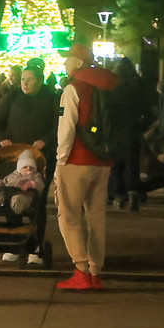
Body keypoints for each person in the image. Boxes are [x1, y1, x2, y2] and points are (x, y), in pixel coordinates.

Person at [55, 42, 118, 291]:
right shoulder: (109, 85)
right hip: (102, 161)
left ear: (78, 63)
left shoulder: (73, 87)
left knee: (69, 215)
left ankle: (80, 269)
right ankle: (95, 271)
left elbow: (67, 128)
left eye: (68, 58)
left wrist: (61, 159)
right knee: (96, 218)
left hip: (77, 160)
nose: (64, 62)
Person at [0, 65, 58, 265]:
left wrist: (45, 140)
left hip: (39, 160)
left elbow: (58, 125)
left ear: (40, 80)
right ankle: (15, 245)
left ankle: (36, 246)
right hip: (14, 159)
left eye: (29, 79)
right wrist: (2, 139)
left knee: (37, 202)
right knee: (12, 199)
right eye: (22, 79)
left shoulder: (51, 98)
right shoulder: (13, 96)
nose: (24, 83)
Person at [109, 57, 150, 209]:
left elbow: (106, 112)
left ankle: (119, 195)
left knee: (116, 165)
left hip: (114, 132)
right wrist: (140, 126)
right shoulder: (137, 88)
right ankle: (133, 192)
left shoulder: (111, 89)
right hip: (132, 131)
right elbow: (149, 112)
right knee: (132, 164)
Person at [0, 149, 44, 215]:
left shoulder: (35, 176)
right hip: (6, 195)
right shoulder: (12, 175)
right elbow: (2, 182)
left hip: (24, 194)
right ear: (19, 168)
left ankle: (18, 205)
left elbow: (40, 186)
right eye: (25, 167)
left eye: (31, 167)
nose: (28, 169)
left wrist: (32, 184)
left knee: (22, 199)